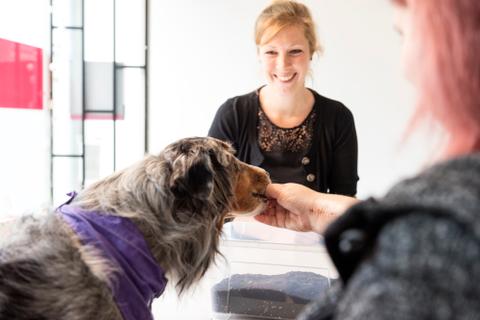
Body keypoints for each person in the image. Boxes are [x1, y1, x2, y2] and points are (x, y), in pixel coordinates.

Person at [256, 0, 480, 319]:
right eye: (271, 51)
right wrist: (319, 211)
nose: (406, 66)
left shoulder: (430, 234)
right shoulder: (233, 112)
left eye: (404, 34)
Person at [208, 0, 359, 196]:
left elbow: (344, 203)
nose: (283, 64)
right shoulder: (232, 114)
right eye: (271, 52)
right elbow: (210, 197)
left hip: (315, 228)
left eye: (295, 51)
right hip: (241, 228)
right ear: (259, 54)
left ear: (311, 52)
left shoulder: (338, 118)